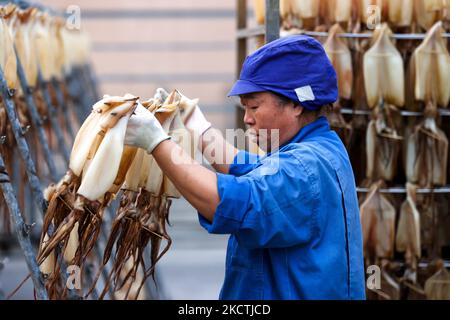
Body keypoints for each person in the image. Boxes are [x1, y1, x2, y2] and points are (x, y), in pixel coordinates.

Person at [124, 35, 366, 300]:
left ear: (296, 104)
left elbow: (228, 202)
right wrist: (198, 127)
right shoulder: (321, 148)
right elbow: (251, 168)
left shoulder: (303, 168)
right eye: (244, 108)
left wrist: (157, 143)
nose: (247, 119)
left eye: (254, 106)